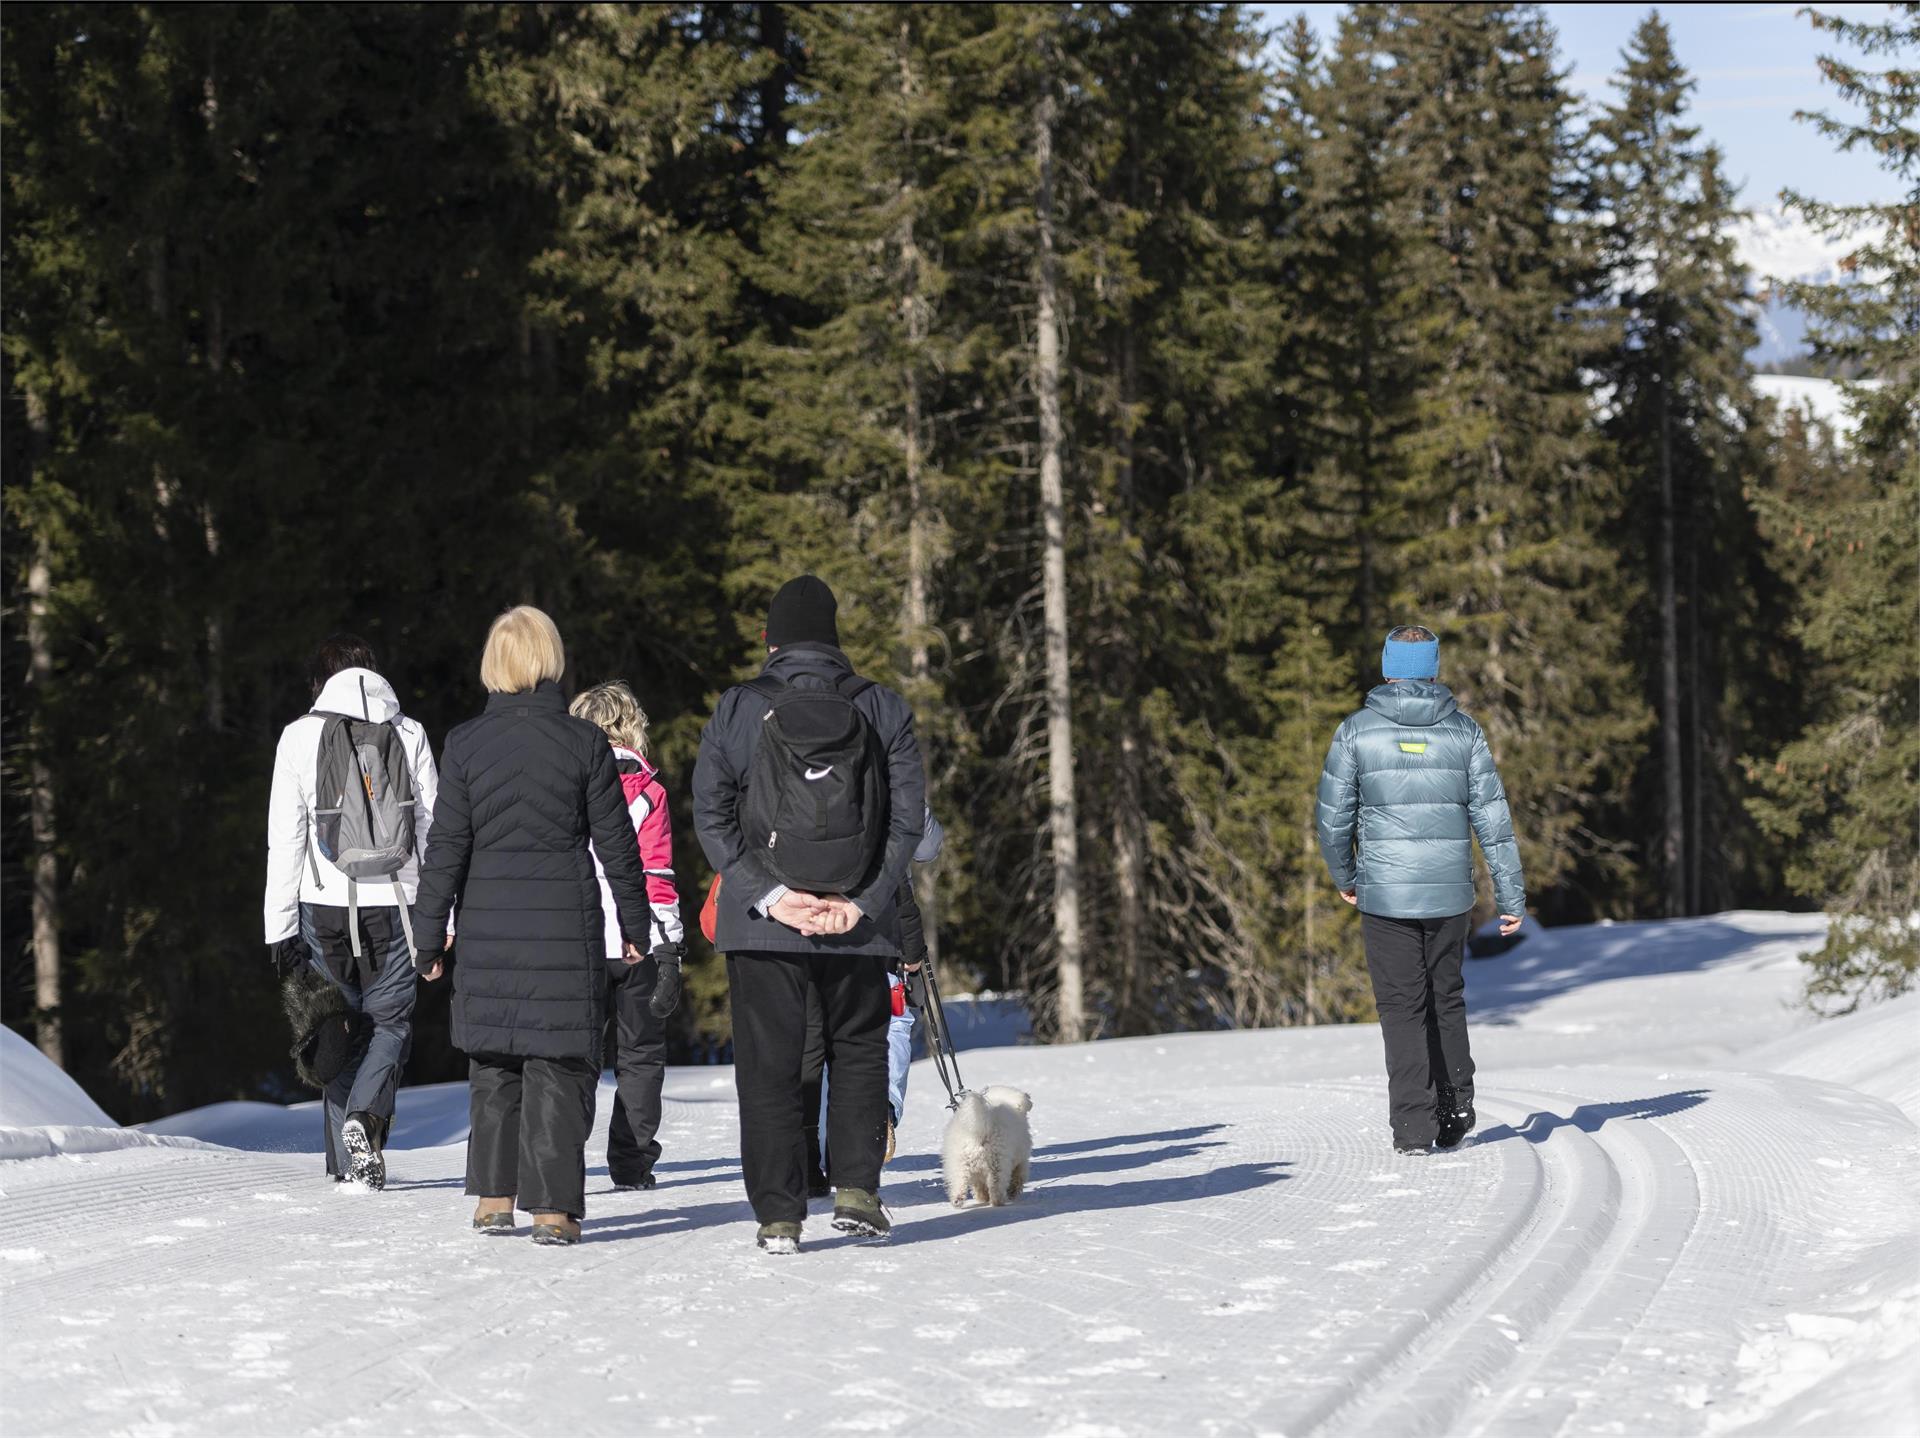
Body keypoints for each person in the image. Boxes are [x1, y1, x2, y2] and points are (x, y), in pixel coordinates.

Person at [693, 575, 926, 1254]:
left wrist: (768, 895)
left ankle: (778, 1216)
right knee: (858, 1052)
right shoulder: (881, 706)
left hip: (762, 924)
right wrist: (862, 902)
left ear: (771, 641)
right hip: (859, 923)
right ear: (834, 639)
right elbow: (907, 821)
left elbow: (710, 814)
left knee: (768, 1065)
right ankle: (856, 1191)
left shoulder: (738, 707)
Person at [411, 606, 654, 1246]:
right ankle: (554, 1210)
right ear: (551, 659)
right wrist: (635, 923)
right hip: (563, 931)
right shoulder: (584, 743)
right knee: (558, 1063)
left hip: (489, 928)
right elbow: (618, 846)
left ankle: (494, 1199)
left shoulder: (465, 743)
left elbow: (446, 849)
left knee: (495, 1064)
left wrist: (428, 937)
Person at [1315, 625, 1526, 1155]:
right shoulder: (1465, 732)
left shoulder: (1356, 732)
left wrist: (1346, 877)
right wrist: (1511, 897)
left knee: (1401, 1007)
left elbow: (1333, 820)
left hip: (1384, 895)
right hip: (1449, 895)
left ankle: (1413, 1127)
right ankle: (1456, 1107)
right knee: (1446, 999)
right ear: (1433, 670)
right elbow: (1493, 821)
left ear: (1388, 669)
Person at [264, 634, 440, 1188]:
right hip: (397, 906)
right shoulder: (407, 731)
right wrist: (442, 916)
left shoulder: (297, 736)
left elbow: (284, 840)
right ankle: (366, 1118)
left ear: (321, 682)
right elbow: (433, 828)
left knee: (335, 1027)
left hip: (322, 908)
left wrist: (279, 929)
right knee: (389, 1024)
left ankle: (348, 1169)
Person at [569, 680, 686, 1192]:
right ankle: (632, 1161)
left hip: (576, 937)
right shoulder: (649, 790)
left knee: (574, 1056)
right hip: (638, 939)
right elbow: (657, 875)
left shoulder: (565, 781)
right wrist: (671, 947)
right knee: (640, 1056)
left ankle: (563, 1160)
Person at [802, 806, 945, 1190]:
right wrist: (916, 797)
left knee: (826, 1036)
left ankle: (821, 1150)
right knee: (893, 1023)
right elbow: (928, 847)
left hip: (814, 924)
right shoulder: (893, 776)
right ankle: (881, 1111)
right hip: (886, 926)